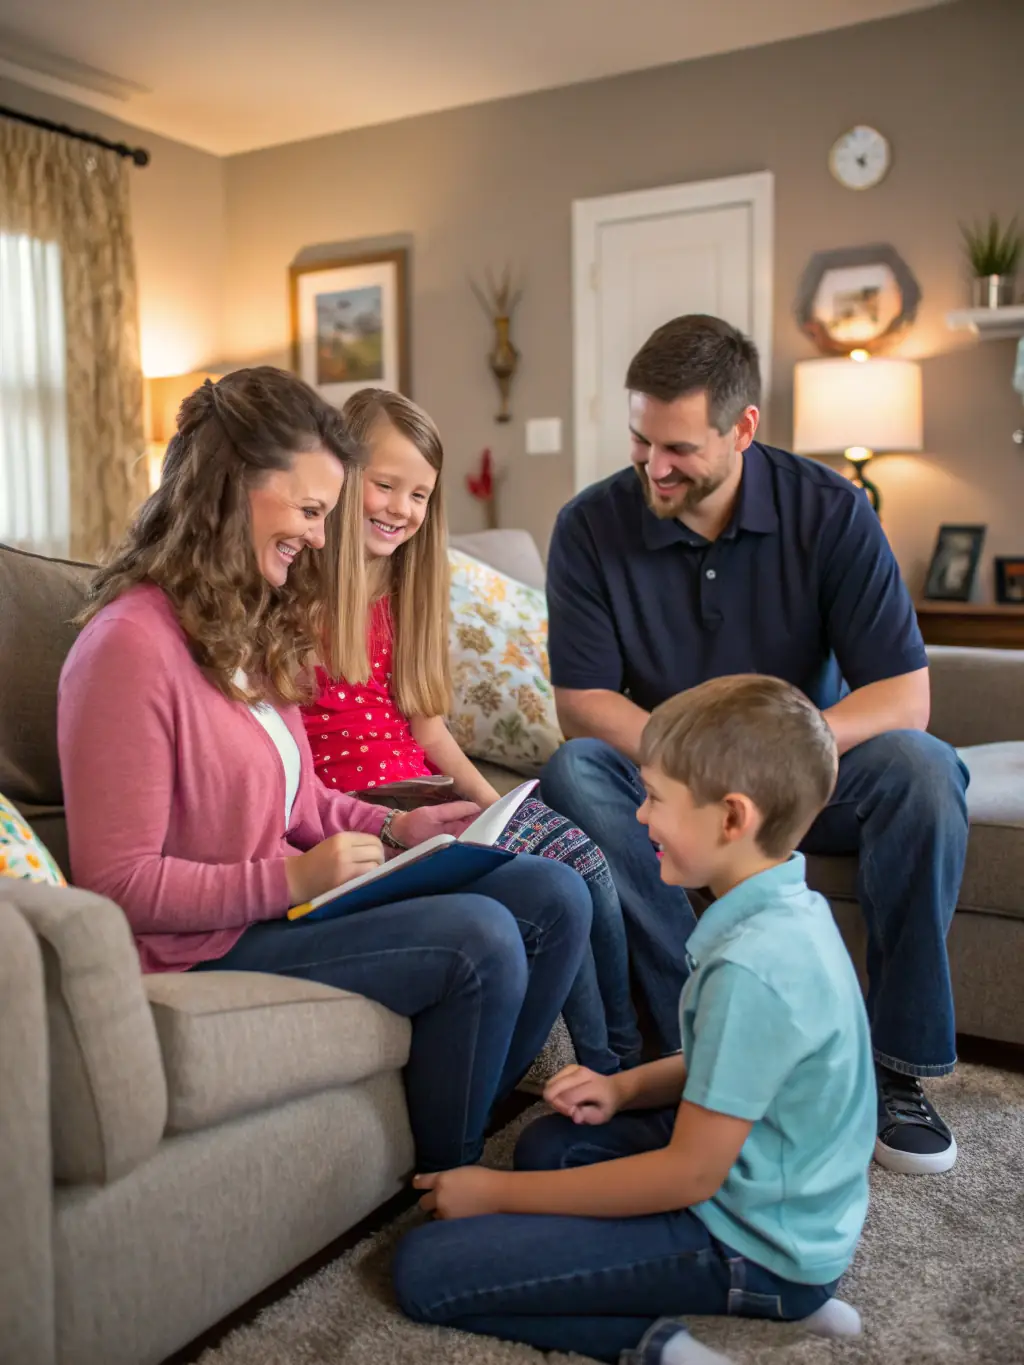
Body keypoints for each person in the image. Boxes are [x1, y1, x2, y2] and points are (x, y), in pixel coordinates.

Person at [57, 366, 592, 1173]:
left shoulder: (245, 620)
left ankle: (470, 1127)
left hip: (286, 903)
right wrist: (294, 878)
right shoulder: (129, 646)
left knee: (553, 892)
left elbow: (300, 795)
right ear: (234, 487)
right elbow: (117, 883)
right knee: (480, 934)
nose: (318, 536)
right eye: (311, 510)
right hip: (206, 940)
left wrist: (393, 824)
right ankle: (450, 1177)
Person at [538, 315, 968, 1176]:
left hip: (806, 778)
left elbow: (904, 696)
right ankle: (691, 1057)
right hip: (673, 782)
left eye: (679, 448)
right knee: (575, 772)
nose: (653, 466)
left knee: (923, 770)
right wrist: (693, 758)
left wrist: (788, 742)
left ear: (743, 427)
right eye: (640, 440)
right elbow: (583, 701)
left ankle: (895, 1071)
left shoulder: (834, 511)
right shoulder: (589, 526)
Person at [393, 676, 875, 1365]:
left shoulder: (754, 965)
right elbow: (734, 1062)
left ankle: (671, 1342)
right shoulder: (788, 909)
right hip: (785, 1205)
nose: (640, 817)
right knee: (549, 1147)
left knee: (425, 1269)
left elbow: (686, 1176)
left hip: (746, 1241)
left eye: (655, 798)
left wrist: (495, 1192)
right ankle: (784, 1289)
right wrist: (622, 1088)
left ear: (732, 818)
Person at [300, 387, 641, 1075]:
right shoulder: (294, 594)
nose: (400, 508)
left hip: (425, 790)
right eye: (385, 484)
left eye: (419, 495)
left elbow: (428, 727)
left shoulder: (405, 594)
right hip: (365, 811)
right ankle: (604, 1069)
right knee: (552, 883)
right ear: (339, 474)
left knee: (586, 860)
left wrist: (497, 804)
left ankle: (629, 1059)